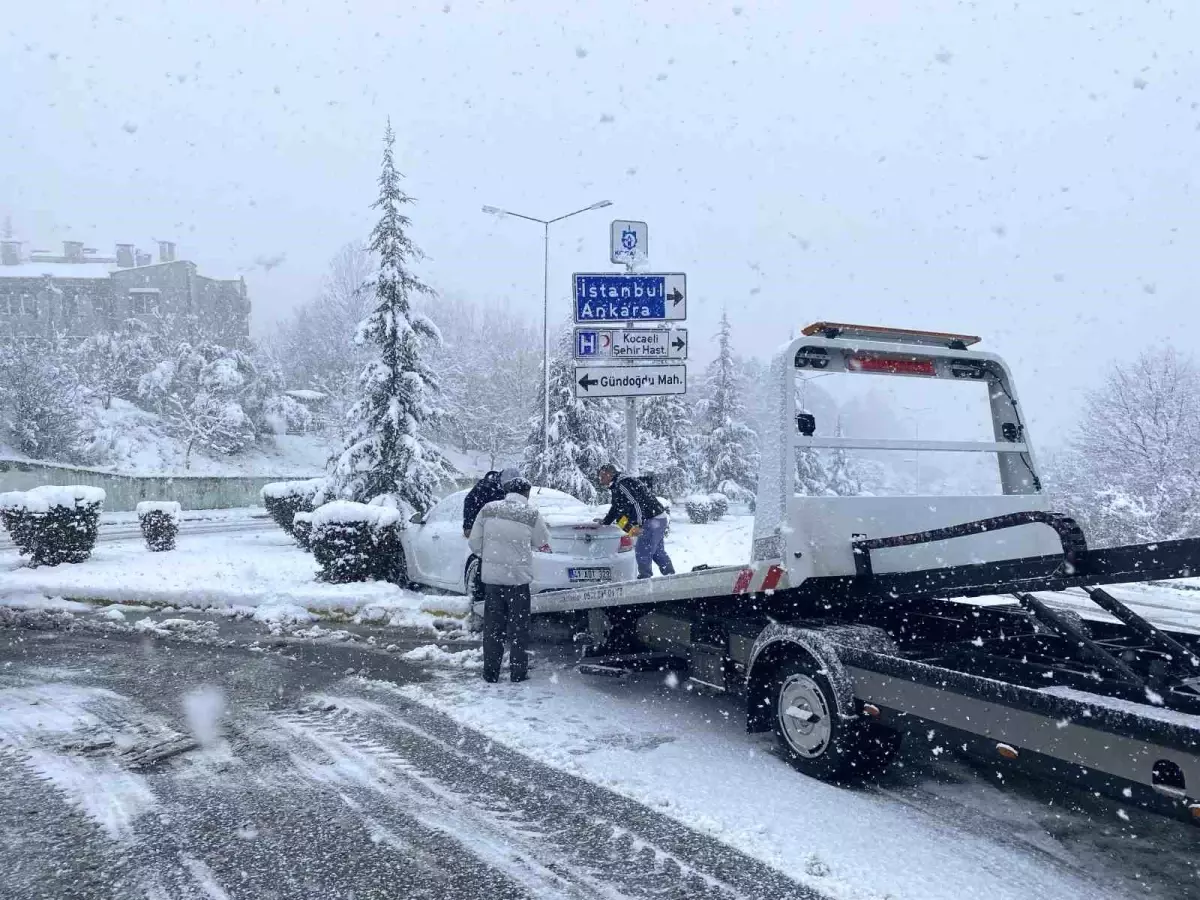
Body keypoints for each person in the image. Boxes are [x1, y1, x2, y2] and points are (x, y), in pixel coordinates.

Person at [467, 475, 551, 683]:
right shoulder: (531, 513)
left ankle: (490, 673)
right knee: (519, 629)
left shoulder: (488, 509)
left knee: (493, 628)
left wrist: (489, 557)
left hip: (493, 582)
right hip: (518, 582)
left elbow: (474, 542)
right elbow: (542, 540)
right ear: (526, 493)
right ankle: (518, 673)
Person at [596, 463, 675, 579]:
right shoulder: (617, 485)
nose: (600, 479)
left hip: (651, 519)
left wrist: (639, 525)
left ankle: (645, 579)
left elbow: (636, 504)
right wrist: (606, 522)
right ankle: (670, 577)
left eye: (602, 476)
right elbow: (616, 508)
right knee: (657, 552)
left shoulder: (622, 484)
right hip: (657, 518)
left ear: (609, 474)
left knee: (642, 551)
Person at [462, 467, 519, 620]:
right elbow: (469, 501)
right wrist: (468, 526)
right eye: (508, 486)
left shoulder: (513, 492)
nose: (509, 490)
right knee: (485, 564)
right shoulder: (485, 488)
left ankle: (500, 606)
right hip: (485, 530)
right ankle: (480, 604)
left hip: (504, 534)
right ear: (501, 482)